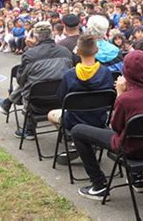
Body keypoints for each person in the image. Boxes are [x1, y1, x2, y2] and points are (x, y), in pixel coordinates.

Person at [72, 50, 143, 200]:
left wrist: (120, 94)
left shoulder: (126, 99)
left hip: (129, 148)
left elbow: (116, 127)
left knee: (77, 131)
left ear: (126, 72)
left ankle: (98, 185)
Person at [0, 21, 73, 139]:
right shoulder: (65, 51)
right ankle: (9, 105)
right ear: (51, 34)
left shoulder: (30, 54)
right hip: (61, 99)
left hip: (36, 102)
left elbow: (20, 80)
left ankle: (29, 128)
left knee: (29, 83)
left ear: (35, 36)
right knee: (35, 82)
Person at [47, 34, 114, 163]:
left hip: (74, 121)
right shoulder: (106, 73)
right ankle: (86, 142)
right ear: (97, 50)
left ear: (77, 51)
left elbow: (62, 100)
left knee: (51, 114)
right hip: (99, 121)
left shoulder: (69, 75)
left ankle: (77, 143)